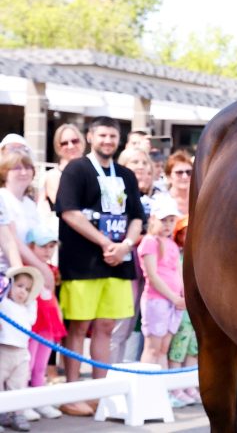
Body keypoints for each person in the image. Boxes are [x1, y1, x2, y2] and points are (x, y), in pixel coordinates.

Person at [55, 116, 144, 417]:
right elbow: (69, 212)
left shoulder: (127, 175)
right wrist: (105, 242)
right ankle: (72, 392)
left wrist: (125, 246)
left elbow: (136, 217)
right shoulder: (76, 169)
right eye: (102, 135)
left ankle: (100, 392)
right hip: (83, 263)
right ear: (90, 136)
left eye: (112, 136)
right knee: (79, 326)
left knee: (107, 326)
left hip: (119, 263)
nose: (108, 140)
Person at [111, 147, 166, 364]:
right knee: (124, 321)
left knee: (152, 325)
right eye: (135, 162)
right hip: (129, 260)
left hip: (158, 265)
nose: (141, 167)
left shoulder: (162, 195)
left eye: (145, 162)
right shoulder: (117, 192)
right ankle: (113, 374)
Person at [137, 198, 189, 407]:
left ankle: (162, 391)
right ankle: (145, 392)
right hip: (157, 301)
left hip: (174, 302)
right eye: (163, 220)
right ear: (153, 219)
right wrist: (174, 297)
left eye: (170, 220)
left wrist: (184, 295)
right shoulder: (150, 242)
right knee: (152, 347)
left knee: (163, 349)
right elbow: (152, 275)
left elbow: (178, 270)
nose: (167, 225)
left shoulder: (171, 244)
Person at [24, 226, 65, 421]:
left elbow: (52, 298)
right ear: (30, 247)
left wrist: (59, 316)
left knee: (40, 366)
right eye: (43, 247)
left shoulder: (51, 270)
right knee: (27, 365)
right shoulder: (27, 271)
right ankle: (23, 403)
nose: (48, 251)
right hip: (33, 325)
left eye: (51, 246)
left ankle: (39, 401)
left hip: (49, 325)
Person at [0, 151, 56, 295]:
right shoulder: (3, 197)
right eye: (17, 168)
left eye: (28, 167)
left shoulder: (29, 203)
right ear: (5, 172)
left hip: (27, 273)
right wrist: (39, 270)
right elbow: (11, 241)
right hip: (7, 272)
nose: (24, 172)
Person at [0, 266, 43, 432]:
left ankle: (18, 414)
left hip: (22, 353)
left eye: (27, 289)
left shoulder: (27, 309)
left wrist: (32, 297)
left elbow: (32, 319)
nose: (23, 291)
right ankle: (2, 412)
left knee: (18, 384)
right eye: (19, 286)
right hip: (4, 350)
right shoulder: (4, 304)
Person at [167, 215, 200, 405]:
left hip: (195, 310)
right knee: (177, 349)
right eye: (184, 233)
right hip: (182, 309)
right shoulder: (178, 256)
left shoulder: (200, 256)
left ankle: (189, 385)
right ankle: (176, 387)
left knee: (193, 349)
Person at [40, 124, 86, 218]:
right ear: (58, 147)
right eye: (64, 143)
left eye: (74, 141)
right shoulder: (53, 176)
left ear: (82, 142)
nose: (71, 146)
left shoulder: (92, 170)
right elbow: (66, 205)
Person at [163, 151, 193, 215]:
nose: (185, 176)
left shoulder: (199, 201)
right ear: (169, 177)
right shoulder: (161, 202)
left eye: (189, 172)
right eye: (179, 172)